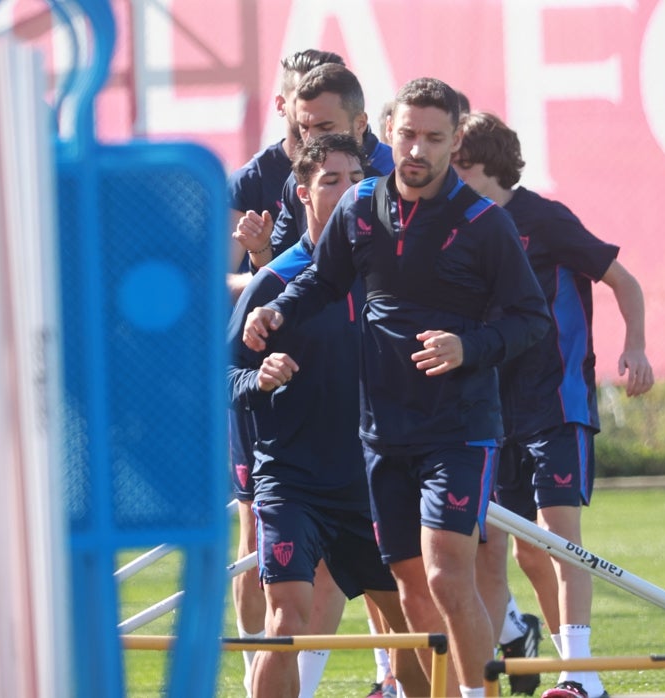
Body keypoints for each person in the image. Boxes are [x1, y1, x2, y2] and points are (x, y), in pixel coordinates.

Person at [244, 78, 551, 697]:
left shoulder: (484, 224)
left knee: (446, 575)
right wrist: (277, 312)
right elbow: (320, 283)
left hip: (459, 429)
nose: (417, 149)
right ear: (387, 133)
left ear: (454, 141)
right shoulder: (360, 208)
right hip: (382, 435)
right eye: (408, 134)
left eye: (434, 138)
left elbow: (532, 321)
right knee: (410, 587)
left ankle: (477, 695)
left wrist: (470, 347)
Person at [453, 112, 653, 698]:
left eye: (452, 157)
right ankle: (487, 680)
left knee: (558, 540)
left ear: (480, 164)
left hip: (557, 403)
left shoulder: (545, 219)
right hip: (491, 413)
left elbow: (625, 281)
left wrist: (634, 348)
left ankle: (581, 676)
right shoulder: (460, 227)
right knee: (498, 553)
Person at [229, 133, 427, 698]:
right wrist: (258, 377)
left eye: (355, 181)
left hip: (372, 482)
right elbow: (224, 376)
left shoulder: (392, 273)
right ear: (300, 193)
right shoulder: (274, 282)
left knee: (407, 626)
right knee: (287, 621)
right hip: (292, 483)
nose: (344, 192)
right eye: (329, 180)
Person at [224, 49, 346, 694]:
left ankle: (374, 672)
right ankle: (260, 676)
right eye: (302, 111)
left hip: (349, 397)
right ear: (285, 107)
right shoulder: (253, 178)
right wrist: (265, 266)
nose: (313, 128)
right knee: (254, 528)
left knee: (392, 571)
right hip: (273, 393)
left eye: (325, 117)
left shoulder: (367, 162)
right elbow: (224, 280)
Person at [242, 63, 394, 270]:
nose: (312, 139)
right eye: (304, 128)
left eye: (325, 127)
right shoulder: (297, 180)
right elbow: (277, 270)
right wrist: (260, 248)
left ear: (360, 124)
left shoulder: (392, 180)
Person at [227, 48, 345, 299]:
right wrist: (271, 272)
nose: (316, 104)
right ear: (281, 104)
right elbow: (218, 283)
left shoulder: (372, 168)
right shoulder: (249, 182)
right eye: (306, 94)